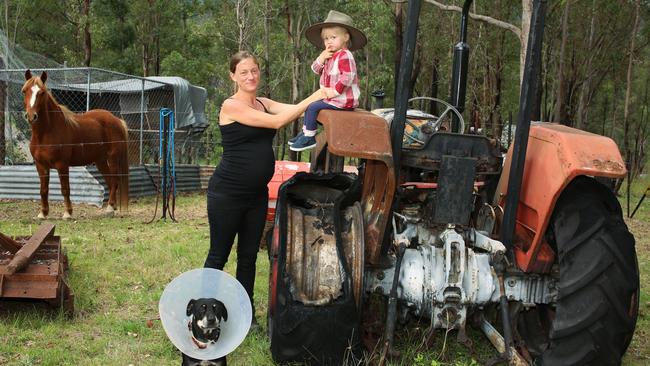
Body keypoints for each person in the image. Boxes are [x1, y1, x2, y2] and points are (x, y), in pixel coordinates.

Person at [205, 51, 324, 330]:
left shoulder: (263, 103)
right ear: (233, 75)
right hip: (227, 194)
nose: (250, 76)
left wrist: (325, 89)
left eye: (255, 70)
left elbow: (296, 110)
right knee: (218, 255)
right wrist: (316, 95)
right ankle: (203, 314)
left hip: (256, 195)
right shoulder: (231, 106)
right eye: (244, 72)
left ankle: (246, 317)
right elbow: (277, 123)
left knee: (248, 257)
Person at [288, 10, 367, 151]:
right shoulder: (330, 55)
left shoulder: (345, 55)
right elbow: (315, 69)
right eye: (326, 39)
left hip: (342, 100)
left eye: (333, 37)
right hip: (331, 98)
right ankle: (306, 131)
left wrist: (335, 91)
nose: (329, 41)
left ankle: (310, 138)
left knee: (312, 107)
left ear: (346, 37)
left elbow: (347, 77)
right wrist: (321, 58)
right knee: (310, 105)